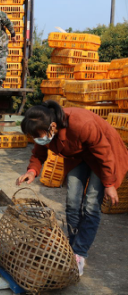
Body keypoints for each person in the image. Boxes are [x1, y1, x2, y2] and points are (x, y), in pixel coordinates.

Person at [16, 101, 128, 276]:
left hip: (103, 158)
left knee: (91, 205)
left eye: (37, 135)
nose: (36, 139)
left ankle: (80, 253)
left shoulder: (81, 124)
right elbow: (38, 153)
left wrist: (109, 184)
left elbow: (105, 155)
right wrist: (32, 171)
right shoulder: (43, 129)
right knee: (72, 202)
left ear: (52, 126)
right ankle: (73, 246)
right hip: (78, 157)